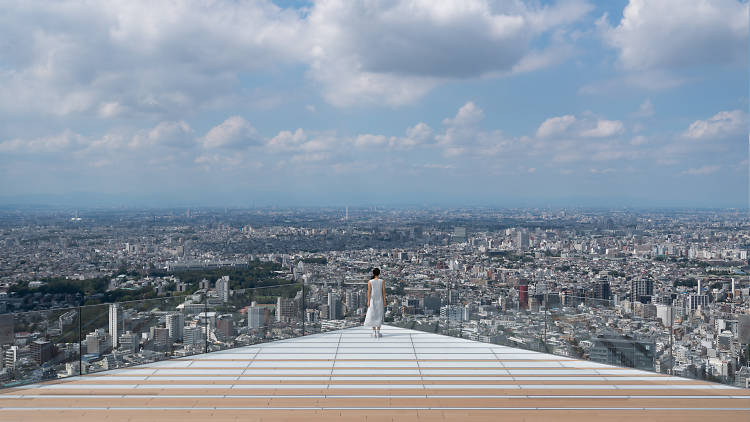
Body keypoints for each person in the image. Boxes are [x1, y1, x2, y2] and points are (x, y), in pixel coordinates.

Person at [363, 267, 385, 337]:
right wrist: (384, 301)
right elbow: (383, 292)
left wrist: (368, 301)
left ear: (373, 273)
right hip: (380, 299)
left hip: (372, 300)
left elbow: (369, 292)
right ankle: (378, 332)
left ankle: (374, 332)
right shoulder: (382, 281)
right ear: (379, 273)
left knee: (372, 314)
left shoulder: (370, 282)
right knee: (379, 315)